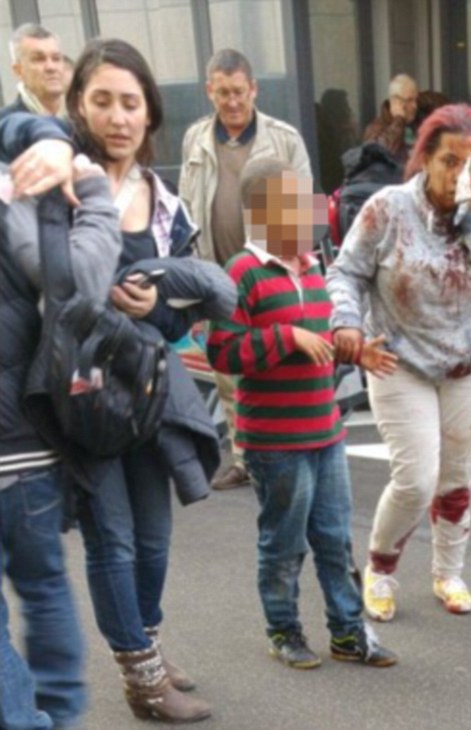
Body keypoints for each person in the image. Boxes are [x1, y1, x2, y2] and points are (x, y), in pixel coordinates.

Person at [13, 37, 217, 723]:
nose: (118, 117)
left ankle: (147, 643)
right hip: (81, 396)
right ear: (77, 107)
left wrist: (153, 308)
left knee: (155, 538)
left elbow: (182, 318)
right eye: (101, 101)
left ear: (150, 114)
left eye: (131, 103)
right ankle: (141, 676)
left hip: (146, 393)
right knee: (115, 539)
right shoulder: (57, 185)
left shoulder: (167, 205)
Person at [327, 104, 471, 622]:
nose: (460, 174)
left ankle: (448, 573)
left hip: (468, 366)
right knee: (417, 480)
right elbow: (345, 272)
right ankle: (380, 568)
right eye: (449, 162)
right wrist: (346, 322)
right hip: (401, 362)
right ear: (424, 161)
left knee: (457, 481)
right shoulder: (388, 208)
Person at [207, 156, 400, 670]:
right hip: (275, 440)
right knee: (284, 544)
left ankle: (347, 633)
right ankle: (283, 631)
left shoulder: (315, 268)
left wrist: (353, 350)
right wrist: (286, 336)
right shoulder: (241, 273)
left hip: (324, 431)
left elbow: (320, 342)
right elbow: (222, 352)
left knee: (336, 541)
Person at [0, 118, 117, 730]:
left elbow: (20, 121)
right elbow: (74, 286)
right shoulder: (11, 190)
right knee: (45, 587)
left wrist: (49, 136)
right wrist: (94, 193)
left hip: (18, 445)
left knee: (43, 590)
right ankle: (53, 718)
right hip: (22, 442)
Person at [180, 48, 313, 490]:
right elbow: (186, 210)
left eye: (239, 91)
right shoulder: (196, 139)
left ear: (253, 89)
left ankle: (291, 447)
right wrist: (194, 284)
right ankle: (243, 455)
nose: (232, 101)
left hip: (272, 270)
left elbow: (306, 207)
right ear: (209, 92)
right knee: (228, 372)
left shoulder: (285, 139)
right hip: (218, 274)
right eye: (222, 93)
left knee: (276, 361)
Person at [0, 23, 67, 120]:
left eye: (56, 58)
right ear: (18, 70)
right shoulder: (5, 124)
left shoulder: (82, 119)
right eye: (39, 59)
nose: (51, 67)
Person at [362, 74, 419, 165]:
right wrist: (398, 121)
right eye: (409, 100)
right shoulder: (375, 128)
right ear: (396, 102)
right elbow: (380, 155)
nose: (415, 106)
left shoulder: (417, 124)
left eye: (416, 100)